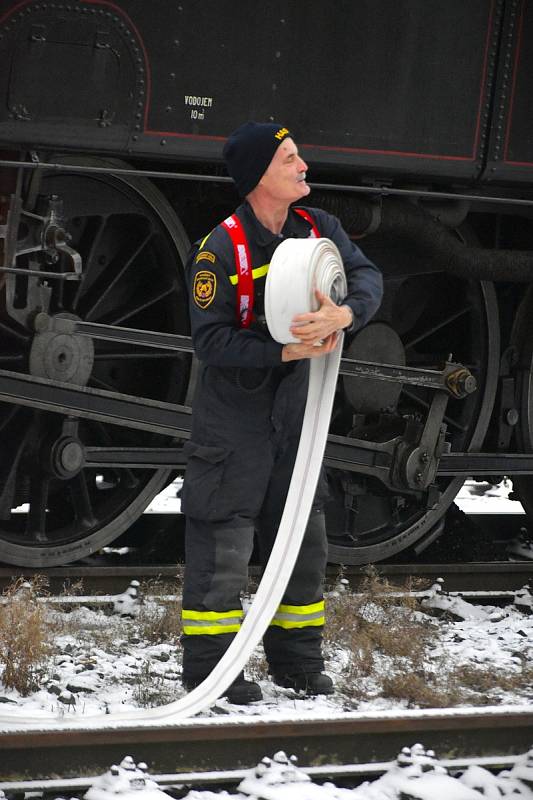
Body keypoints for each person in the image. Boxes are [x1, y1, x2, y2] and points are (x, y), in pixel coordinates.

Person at [181, 121, 383, 704]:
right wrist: (284, 350)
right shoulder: (220, 249)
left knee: (303, 541)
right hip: (235, 419)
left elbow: (366, 277)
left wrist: (346, 316)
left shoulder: (322, 230)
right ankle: (211, 673)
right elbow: (210, 342)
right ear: (260, 176)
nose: (304, 167)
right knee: (224, 543)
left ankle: (298, 664)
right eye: (290, 158)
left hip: (298, 416)